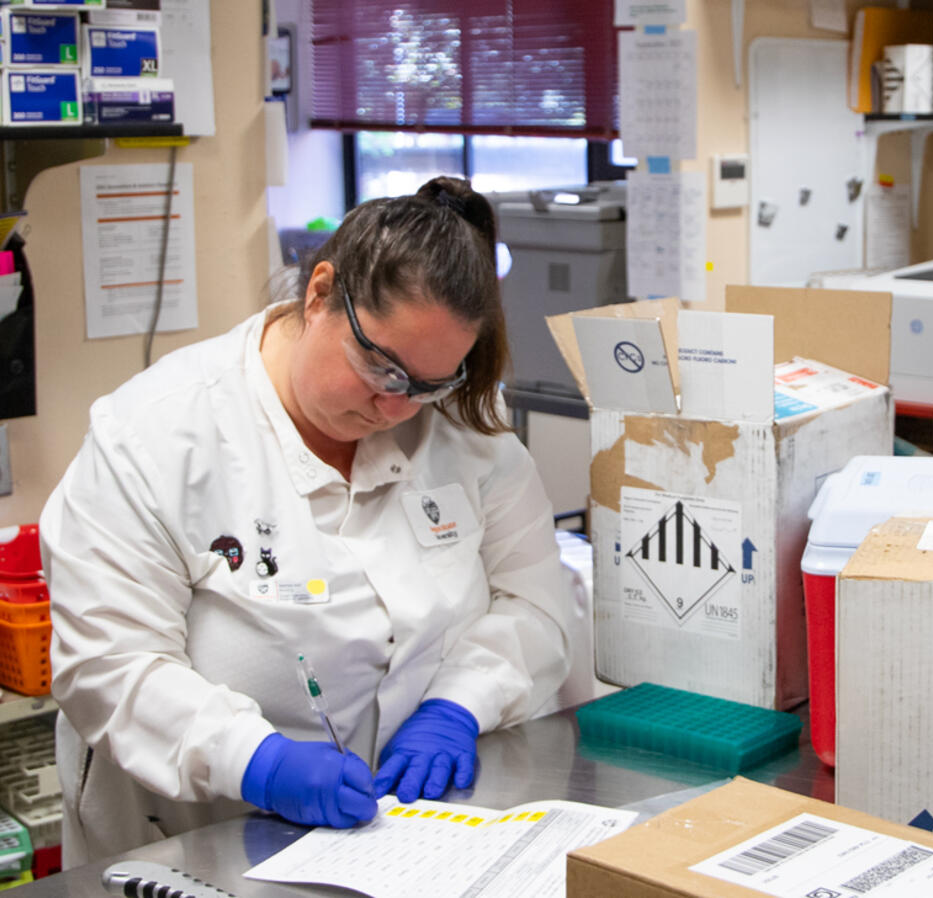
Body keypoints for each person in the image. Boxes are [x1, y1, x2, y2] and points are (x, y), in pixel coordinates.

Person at [39, 176, 574, 866]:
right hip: (190, 837)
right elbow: (108, 663)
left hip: (398, 840)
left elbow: (537, 603)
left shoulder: (463, 434)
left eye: (427, 383)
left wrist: (459, 705)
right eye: (381, 368)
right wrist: (254, 760)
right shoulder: (153, 434)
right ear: (320, 294)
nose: (396, 407)